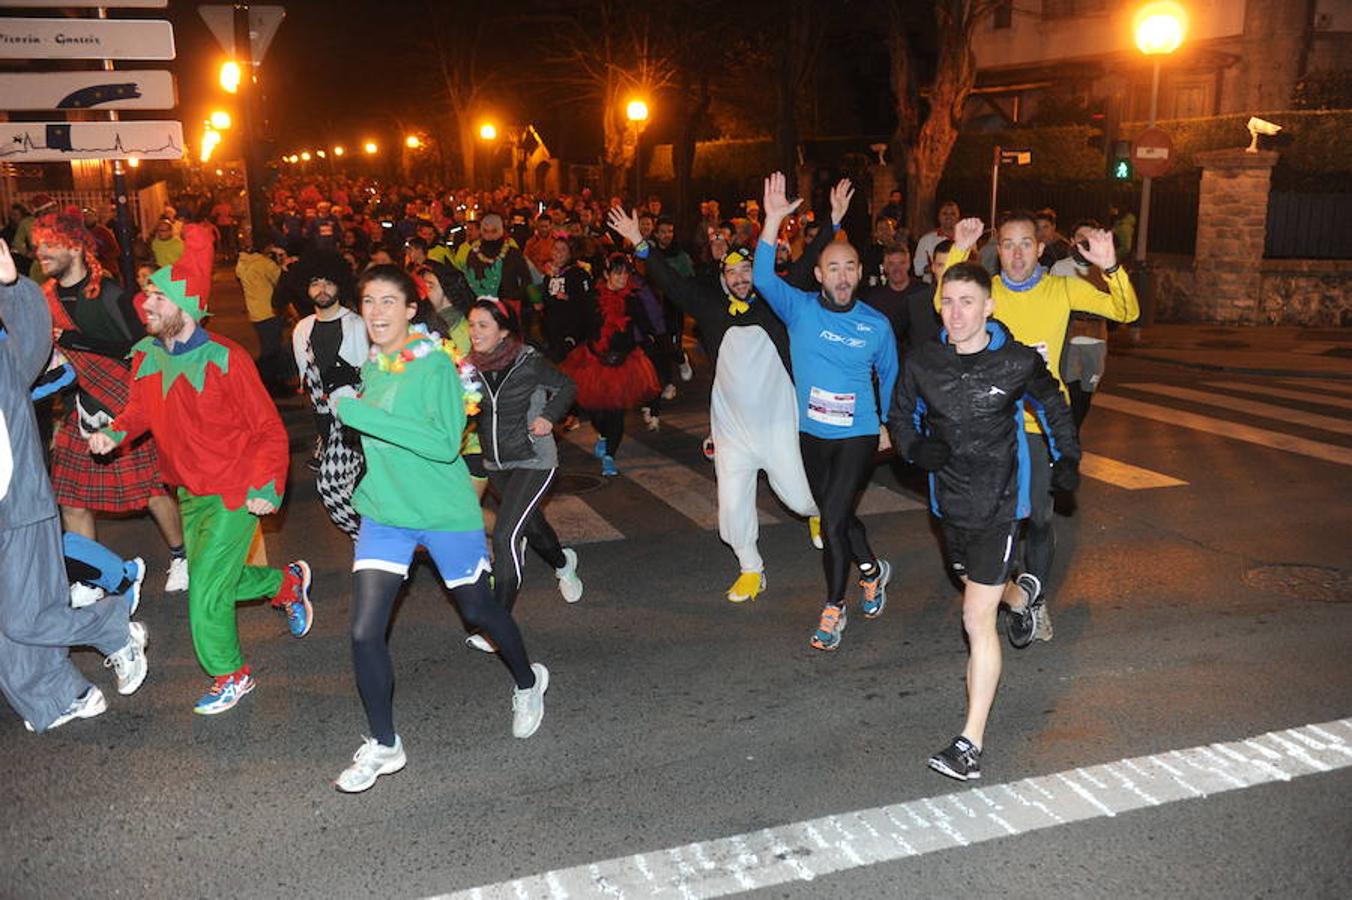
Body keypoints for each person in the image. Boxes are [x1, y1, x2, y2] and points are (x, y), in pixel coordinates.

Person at [332, 265, 549, 794]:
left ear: (411, 310)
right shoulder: (375, 366)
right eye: (368, 301)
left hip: (443, 512)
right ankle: (385, 744)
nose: (377, 312)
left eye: (389, 302)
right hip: (386, 514)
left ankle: (528, 680)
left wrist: (356, 412)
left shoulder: (435, 367)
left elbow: (441, 442)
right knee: (364, 631)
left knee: (478, 611)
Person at [88, 224, 313, 715]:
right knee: (223, 580)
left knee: (205, 589)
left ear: (185, 308)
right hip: (190, 492)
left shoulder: (227, 359)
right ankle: (286, 585)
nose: (144, 307)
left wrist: (264, 486)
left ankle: (231, 673)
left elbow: (268, 431)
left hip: (236, 490)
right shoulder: (146, 356)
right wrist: (116, 432)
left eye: (156, 299)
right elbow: (139, 412)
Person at [890, 262, 1079, 780]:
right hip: (949, 505)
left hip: (1000, 504)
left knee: (975, 618)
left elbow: (1054, 404)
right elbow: (900, 414)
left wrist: (1067, 458)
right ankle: (1024, 597)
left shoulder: (1014, 361)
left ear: (989, 306)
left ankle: (969, 743)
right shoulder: (924, 361)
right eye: (948, 302)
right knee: (979, 589)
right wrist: (913, 449)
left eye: (967, 302)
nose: (956, 314)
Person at [611, 190, 828, 603]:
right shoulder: (709, 307)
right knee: (730, 511)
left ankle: (817, 514)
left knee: (799, 498)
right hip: (731, 429)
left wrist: (832, 222)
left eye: (747, 270)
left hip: (778, 422)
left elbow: (803, 268)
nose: (740, 278)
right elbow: (670, 281)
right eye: (732, 273)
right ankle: (751, 569)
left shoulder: (775, 303)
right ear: (722, 278)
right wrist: (638, 243)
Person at [944, 211, 1138, 646]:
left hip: (1041, 423)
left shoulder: (1061, 288)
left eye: (1025, 244)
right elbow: (946, 305)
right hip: (991, 426)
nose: (1016, 253)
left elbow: (1127, 310)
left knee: (1039, 515)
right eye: (1008, 244)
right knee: (996, 519)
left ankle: (1034, 596)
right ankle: (1012, 591)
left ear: (1040, 248)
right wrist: (959, 248)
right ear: (997, 249)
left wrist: (1110, 267)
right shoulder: (987, 292)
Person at [0, 239, 148, 734]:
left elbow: (32, 341)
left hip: (18, 505)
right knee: (10, 624)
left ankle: (110, 624)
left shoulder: (5, 360)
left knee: (25, 618)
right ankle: (62, 696)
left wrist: (13, 286)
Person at [752, 173, 899, 650]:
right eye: (833, 268)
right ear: (819, 274)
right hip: (811, 433)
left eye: (850, 267)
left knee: (833, 520)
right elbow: (759, 278)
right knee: (836, 515)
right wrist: (773, 221)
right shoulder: (799, 309)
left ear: (860, 272)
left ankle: (834, 609)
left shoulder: (876, 325)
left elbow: (891, 377)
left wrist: (886, 425)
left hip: (857, 435)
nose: (842, 276)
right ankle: (874, 569)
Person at [34, 208, 188, 592]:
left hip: (126, 402)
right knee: (71, 498)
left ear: (75, 246)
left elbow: (141, 348)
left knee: (152, 491)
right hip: (79, 407)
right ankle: (91, 576)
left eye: (50, 244)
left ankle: (182, 557)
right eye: (38, 246)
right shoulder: (44, 298)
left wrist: (73, 340)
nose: (41, 253)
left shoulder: (112, 294)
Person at [466, 298, 582, 647]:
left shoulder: (526, 360)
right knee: (531, 525)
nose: (474, 332)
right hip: (496, 464)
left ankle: (495, 626)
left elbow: (567, 386)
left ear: (503, 330)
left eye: (483, 325)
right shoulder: (468, 368)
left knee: (504, 535)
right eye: (471, 325)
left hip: (534, 459)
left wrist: (549, 416)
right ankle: (563, 562)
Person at [558, 254, 662, 478]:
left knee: (615, 413)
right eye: (617, 272)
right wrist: (569, 338)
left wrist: (650, 338)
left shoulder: (632, 299)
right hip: (595, 362)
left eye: (626, 272)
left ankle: (609, 456)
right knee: (596, 413)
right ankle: (604, 436)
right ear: (606, 274)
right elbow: (578, 322)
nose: (623, 277)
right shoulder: (591, 298)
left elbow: (644, 324)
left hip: (623, 362)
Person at [291, 253, 368, 539]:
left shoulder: (357, 324)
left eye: (328, 283)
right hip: (324, 421)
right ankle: (369, 540)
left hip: (355, 421)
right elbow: (307, 380)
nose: (322, 289)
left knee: (334, 484)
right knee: (347, 486)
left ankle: (367, 540)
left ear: (340, 286)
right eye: (315, 283)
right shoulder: (301, 329)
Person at [1050, 220, 1112, 432]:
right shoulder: (1060, 268)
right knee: (1072, 389)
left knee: (1087, 392)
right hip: (1069, 338)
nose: (1084, 242)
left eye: (1089, 238)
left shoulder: (1105, 269)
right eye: (1080, 238)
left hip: (1097, 338)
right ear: (1071, 241)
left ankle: (1073, 430)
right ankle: (1069, 436)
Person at [862, 242, 939, 356]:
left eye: (902, 263)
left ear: (909, 264)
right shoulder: (875, 298)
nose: (897, 269)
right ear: (884, 267)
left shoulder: (925, 292)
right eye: (891, 264)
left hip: (923, 359)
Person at [914, 201, 959, 283]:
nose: (949, 217)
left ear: (958, 216)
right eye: (945, 213)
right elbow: (918, 270)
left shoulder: (967, 240)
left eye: (953, 214)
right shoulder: (926, 240)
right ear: (939, 217)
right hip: (931, 289)